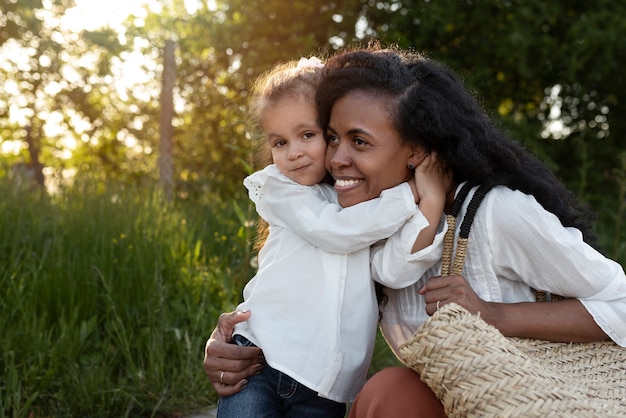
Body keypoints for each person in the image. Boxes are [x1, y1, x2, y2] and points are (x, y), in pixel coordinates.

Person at [204, 43, 626, 416]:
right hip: (460, 396)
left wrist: (494, 314)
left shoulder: (494, 213)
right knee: (388, 394)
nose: (336, 159)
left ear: (417, 151)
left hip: (538, 398)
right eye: (331, 138)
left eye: (360, 141)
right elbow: (299, 293)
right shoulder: (349, 222)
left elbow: (621, 303)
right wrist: (232, 344)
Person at [215, 56, 450, 418]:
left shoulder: (360, 204)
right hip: (262, 358)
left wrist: (432, 201)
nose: (293, 152)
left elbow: (396, 269)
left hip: (324, 383)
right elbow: (335, 231)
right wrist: (409, 195)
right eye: (279, 142)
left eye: (308, 135)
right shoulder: (281, 189)